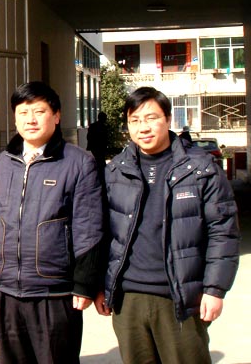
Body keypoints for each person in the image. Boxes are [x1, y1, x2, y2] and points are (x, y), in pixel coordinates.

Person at [95, 86, 240, 364]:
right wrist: (99, 285)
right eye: (135, 120)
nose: (143, 127)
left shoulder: (201, 169)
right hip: (128, 299)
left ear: (168, 119)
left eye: (151, 118)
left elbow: (223, 232)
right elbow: (103, 233)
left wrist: (214, 289)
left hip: (180, 297)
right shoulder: (115, 171)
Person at [0, 81, 104, 364]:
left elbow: (89, 226)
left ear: (57, 115)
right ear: (15, 118)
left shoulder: (79, 162)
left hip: (55, 291)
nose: (31, 120)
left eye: (39, 111)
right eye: (23, 112)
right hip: (7, 289)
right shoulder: (1, 163)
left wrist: (84, 282)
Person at [87, 111, 109, 175]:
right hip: (100, 147)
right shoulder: (103, 127)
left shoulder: (93, 126)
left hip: (94, 147)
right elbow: (105, 139)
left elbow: (88, 136)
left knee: (98, 161)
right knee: (101, 161)